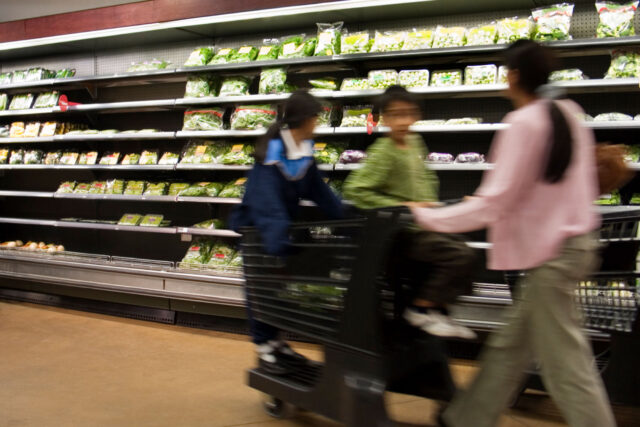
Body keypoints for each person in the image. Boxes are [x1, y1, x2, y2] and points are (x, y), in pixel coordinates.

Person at [408, 40, 616, 427]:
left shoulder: (523, 124)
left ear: (515, 76)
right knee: (508, 349)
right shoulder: (568, 112)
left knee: (567, 368)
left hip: (553, 257)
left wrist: (428, 218)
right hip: (573, 247)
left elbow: (493, 203)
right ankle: (464, 418)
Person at [343, 86, 476, 339]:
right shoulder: (383, 151)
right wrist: (404, 206)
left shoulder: (416, 142)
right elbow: (355, 190)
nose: (403, 121)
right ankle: (420, 309)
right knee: (458, 254)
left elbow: (425, 179)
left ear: (417, 115)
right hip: (401, 236)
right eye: (395, 114)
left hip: (425, 226)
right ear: (385, 118)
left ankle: (440, 311)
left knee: (466, 248)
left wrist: (440, 205)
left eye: (408, 113)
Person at [230, 90, 343, 375]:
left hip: (278, 233)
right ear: (306, 120)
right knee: (260, 290)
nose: (318, 122)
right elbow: (267, 203)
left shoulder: (303, 150)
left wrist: (349, 219)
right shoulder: (272, 154)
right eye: (317, 117)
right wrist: (279, 238)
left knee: (276, 292)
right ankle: (264, 345)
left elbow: (321, 193)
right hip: (260, 233)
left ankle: (276, 342)